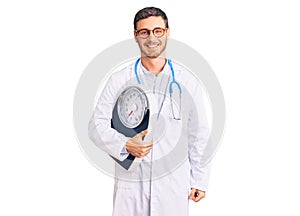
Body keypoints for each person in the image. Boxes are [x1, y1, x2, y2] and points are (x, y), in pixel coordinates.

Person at [88, 7, 211, 216]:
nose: (151, 38)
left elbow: (198, 133)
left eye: (158, 31)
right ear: (135, 36)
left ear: (167, 32)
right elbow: (95, 126)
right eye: (144, 32)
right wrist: (125, 144)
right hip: (132, 186)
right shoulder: (119, 79)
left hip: (172, 186)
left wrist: (199, 179)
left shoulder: (187, 81)